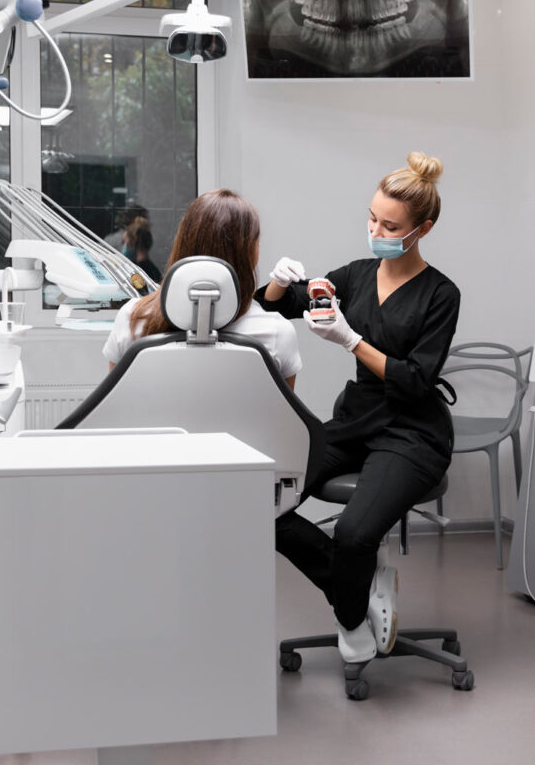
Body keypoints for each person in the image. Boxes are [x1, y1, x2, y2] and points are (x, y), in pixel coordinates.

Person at [258, 152, 460, 664]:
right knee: (258, 503)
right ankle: (354, 589)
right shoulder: (354, 275)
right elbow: (276, 305)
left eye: (390, 225)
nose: (376, 229)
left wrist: (350, 341)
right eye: (372, 218)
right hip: (354, 421)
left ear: (422, 229)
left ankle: (350, 621)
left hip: (412, 432)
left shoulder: (440, 294)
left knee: (353, 532)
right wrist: (283, 281)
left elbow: (416, 381)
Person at [103, 189, 302, 387]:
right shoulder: (276, 333)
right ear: (251, 253)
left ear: (182, 242)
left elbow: (116, 412)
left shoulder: (132, 318)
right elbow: (282, 417)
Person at [122, 216, 163, 283]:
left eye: (125, 243)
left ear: (134, 240)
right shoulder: (153, 270)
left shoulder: (134, 271)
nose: (124, 247)